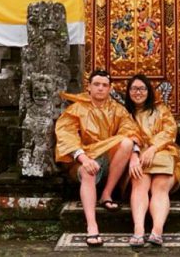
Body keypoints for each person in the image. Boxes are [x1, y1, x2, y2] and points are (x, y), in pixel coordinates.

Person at [55, 69, 141, 247]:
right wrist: (84, 159)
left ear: (110, 88)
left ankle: (106, 193)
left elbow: (131, 131)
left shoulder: (118, 110)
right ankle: (92, 225)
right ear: (88, 87)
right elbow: (67, 136)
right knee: (88, 172)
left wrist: (134, 155)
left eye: (104, 85)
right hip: (83, 160)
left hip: (110, 162)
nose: (100, 88)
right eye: (96, 84)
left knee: (126, 143)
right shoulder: (76, 109)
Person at [125, 74, 180, 248]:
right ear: (128, 91)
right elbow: (125, 135)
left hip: (164, 151)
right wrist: (134, 155)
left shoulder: (161, 109)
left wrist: (152, 148)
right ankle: (138, 229)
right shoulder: (124, 113)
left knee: (159, 187)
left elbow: (169, 131)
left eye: (142, 88)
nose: (138, 92)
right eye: (134, 88)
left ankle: (157, 230)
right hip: (138, 156)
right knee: (139, 184)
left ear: (149, 91)